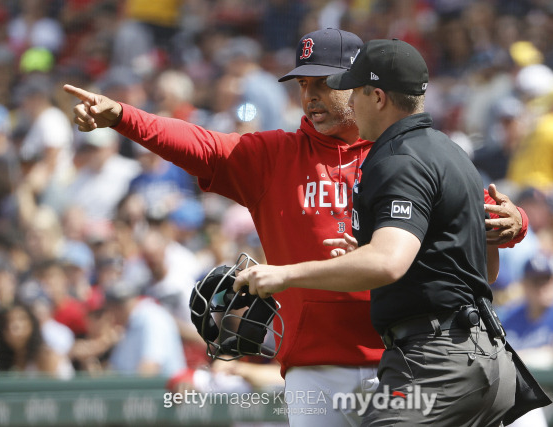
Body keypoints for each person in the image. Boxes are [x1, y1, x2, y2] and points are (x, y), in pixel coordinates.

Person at [63, 29, 527, 426]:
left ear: (365, 86)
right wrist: (123, 117)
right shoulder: (273, 156)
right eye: (303, 85)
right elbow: (200, 144)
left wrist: (515, 221)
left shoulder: (409, 150)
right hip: (318, 366)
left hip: (411, 357)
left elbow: (477, 214)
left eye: (325, 83)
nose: (310, 97)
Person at [234, 39, 522, 426]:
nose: (349, 101)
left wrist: (285, 273)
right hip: (487, 361)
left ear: (379, 97)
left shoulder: (397, 160)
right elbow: (483, 272)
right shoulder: (452, 153)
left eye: (356, 91)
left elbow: (387, 263)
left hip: (435, 363)